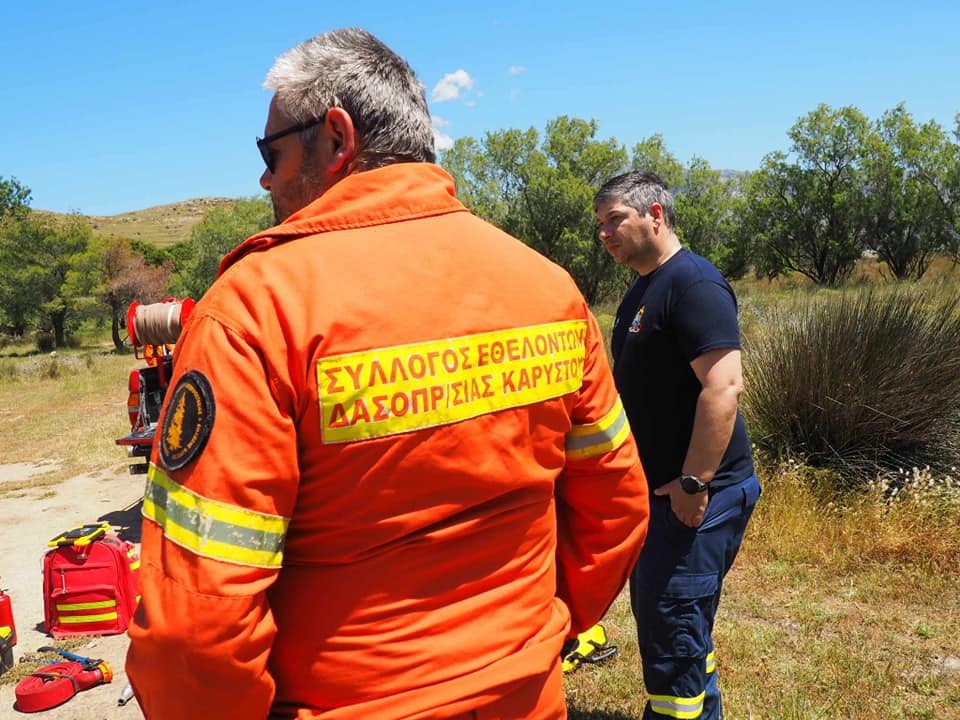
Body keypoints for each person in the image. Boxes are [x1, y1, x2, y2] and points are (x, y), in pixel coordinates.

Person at [126, 28, 650, 720]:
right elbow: (616, 506)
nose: (263, 177)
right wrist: (526, 637)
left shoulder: (256, 310)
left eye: (272, 152)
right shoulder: (549, 289)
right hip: (526, 695)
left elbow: (194, 623)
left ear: (337, 138)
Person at [594, 171, 761, 720]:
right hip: (662, 492)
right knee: (673, 623)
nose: (605, 233)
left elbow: (724, 386)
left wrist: (694, 483)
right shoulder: (645, 286)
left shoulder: (693, 284)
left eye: (614, 219)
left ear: (656, 215)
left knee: (673, 623)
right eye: (601, 224)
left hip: (698, 496)